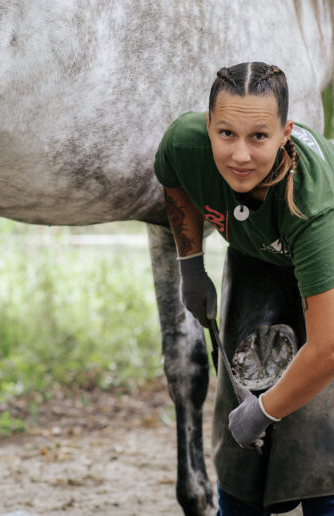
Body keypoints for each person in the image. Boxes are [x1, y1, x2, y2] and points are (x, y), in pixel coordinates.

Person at [153, 62, 334, 515]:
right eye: (226, 134)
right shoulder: (184, 141)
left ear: (285, 133)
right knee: (239, 422)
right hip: (260, 253)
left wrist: (266, 412)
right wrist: (190, 264)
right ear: (209, 127)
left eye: (259, 137)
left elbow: (328, 349)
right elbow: (173, 176)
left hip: (323, 253)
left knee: (319, 438)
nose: (239, 156)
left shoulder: (312, 208)